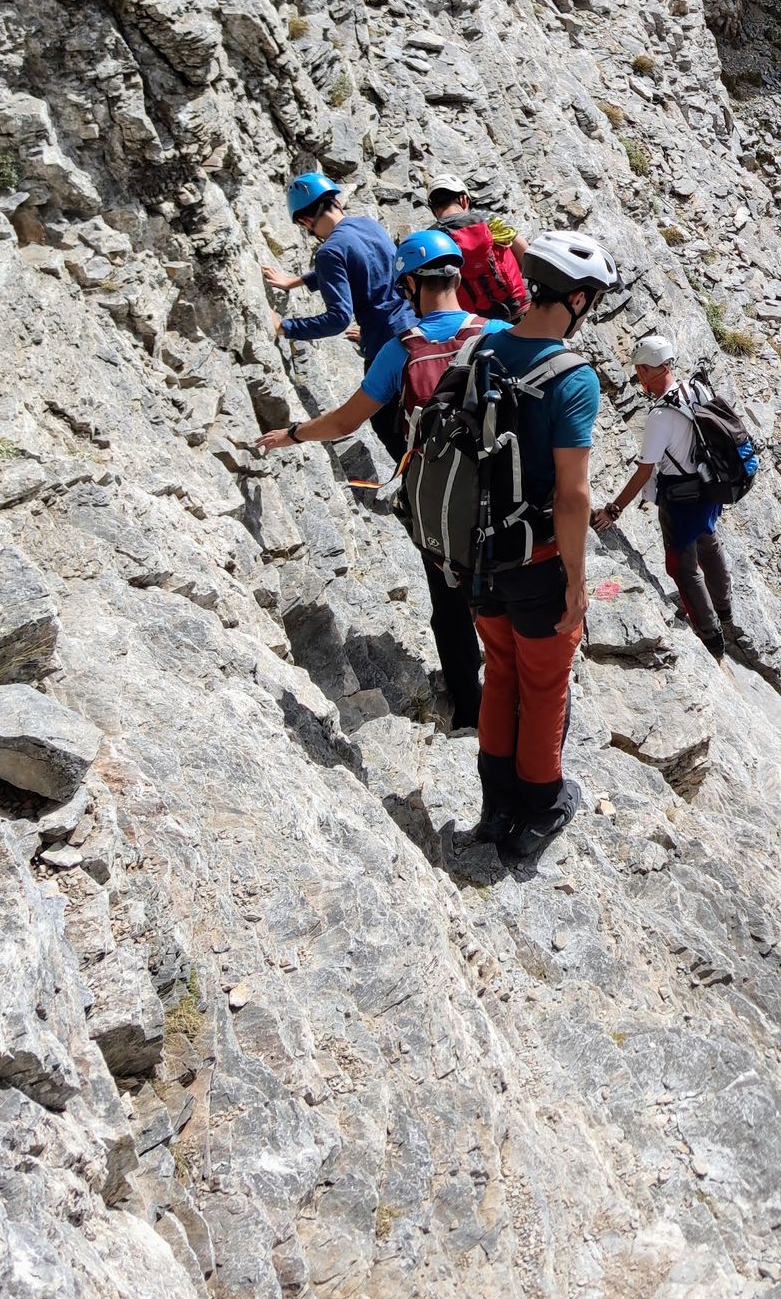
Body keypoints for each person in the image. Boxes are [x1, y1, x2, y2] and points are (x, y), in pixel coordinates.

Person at [253, 226, 505, 729]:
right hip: (500, 496)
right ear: (457, 275)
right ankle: (513, 696)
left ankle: (471, 712)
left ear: (409, 285)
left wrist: (295, 433)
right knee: (507, 601)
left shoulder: (400, 349)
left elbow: (347, 420)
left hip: (437, 502)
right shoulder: (498, 336)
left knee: (449, 607)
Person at [465, 231, 613, 861]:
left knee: (499, 673)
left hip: (477, 555)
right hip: (537, 560)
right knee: (545, 686)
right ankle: (539, 807)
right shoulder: (573, 380)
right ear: (576, 299)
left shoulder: (482, 347)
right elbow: (573, 496)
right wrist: (577, 582)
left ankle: (495, 808)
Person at [592, 333, 741, 660]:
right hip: (710, 484)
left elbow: (645, 471)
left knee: (682, 568)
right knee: (708, 539)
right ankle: (724, 609)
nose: (638, 379)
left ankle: (711, 636)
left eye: (639, 372)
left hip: (681, 496)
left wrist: (613, 510)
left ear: (648, 370)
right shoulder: (697, 387)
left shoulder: (660, 416)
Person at [265, 174, 414, 440]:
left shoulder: (329, 252)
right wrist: (296, 282)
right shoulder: (369, 225)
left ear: (306, 221)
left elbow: (338, 319)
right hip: (416, 329)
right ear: (336, 201)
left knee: (389, 428)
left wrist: (285, 327)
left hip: (386, 349)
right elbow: (360, 264)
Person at [424, 175, 529, 321]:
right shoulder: (489, 219)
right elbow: (526, 255)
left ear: (433, 209)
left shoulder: (432, 239)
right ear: (463, 199)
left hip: (478, 323)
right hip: (520, 306)